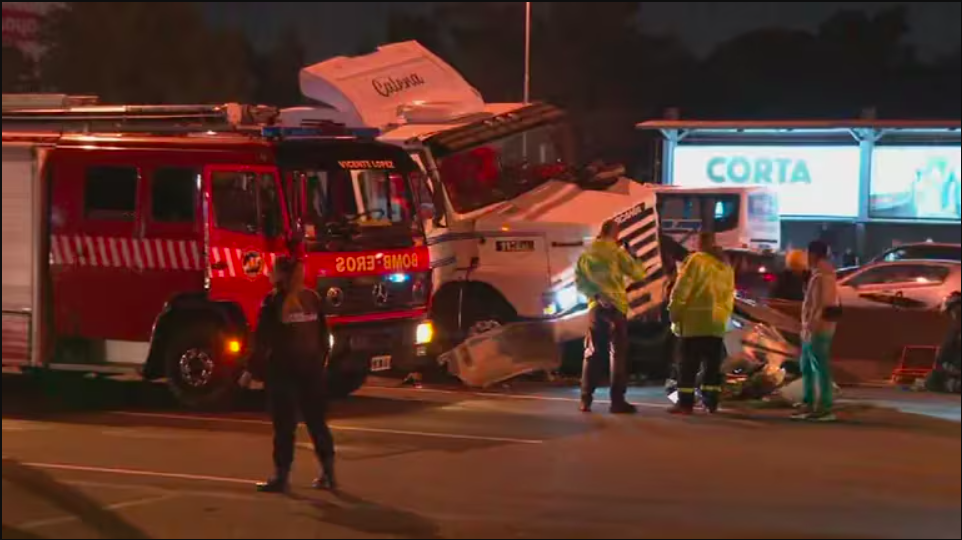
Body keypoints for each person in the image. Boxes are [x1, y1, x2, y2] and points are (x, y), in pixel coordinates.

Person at [250, 257, 336, 493]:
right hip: (311, 371)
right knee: (317, 423)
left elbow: (263, 340)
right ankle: (328, 473)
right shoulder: (312, 299)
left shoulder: (273, 301)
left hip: (283, 372)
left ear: (279, 275)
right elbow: (324, 335)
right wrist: (320, 362)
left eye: (273, 270)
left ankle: (282, 477)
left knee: (284, 427)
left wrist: (251, 371)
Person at [575, 219, 648, 414]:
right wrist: (634, 256)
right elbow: (638, 274)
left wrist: (596, 295)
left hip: (596, 307)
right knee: (617, 355)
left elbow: (579, 282)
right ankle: (617, 402)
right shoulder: (617, 253)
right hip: (616, 308)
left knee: (592, 353)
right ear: (616, 233)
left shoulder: (587, 254)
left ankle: (585, 400)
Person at [667, 232, 735, 415]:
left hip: (694, 323)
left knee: (688, 366)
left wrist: (674, 313)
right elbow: (730, 295)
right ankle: (711, 402)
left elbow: (682, 290)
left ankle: (685, 404)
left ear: (700, 243)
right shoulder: (724, 265)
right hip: (717, 324)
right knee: (712, 367)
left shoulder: (696, 261)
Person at [794, 241, 841, 422]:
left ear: (813, 254)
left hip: (819, 328)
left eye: (808, 253)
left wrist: (813, 326)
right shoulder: (817, 274)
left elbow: (823, 304)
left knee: (819, 366)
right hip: (811, 328)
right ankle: (809, 403)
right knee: (806, 365)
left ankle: (824, 407)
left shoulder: (824, 275)